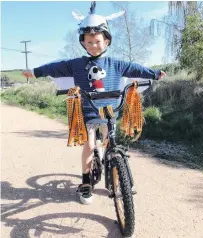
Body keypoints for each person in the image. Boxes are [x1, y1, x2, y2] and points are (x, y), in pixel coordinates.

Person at [23, 2, 166, 205]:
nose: (93, 46)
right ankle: (86, 182)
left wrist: (154, 74)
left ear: (106, 41)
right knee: (90, 145)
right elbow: (54, 68)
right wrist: (36, 72)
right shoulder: (76, 64)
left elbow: (136, 69)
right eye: (88, 42)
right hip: (88, 112)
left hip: (110, 111)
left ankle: (116, 171)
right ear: (83, 43)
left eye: (97, 41)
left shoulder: (116, 63)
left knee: (111, 142)